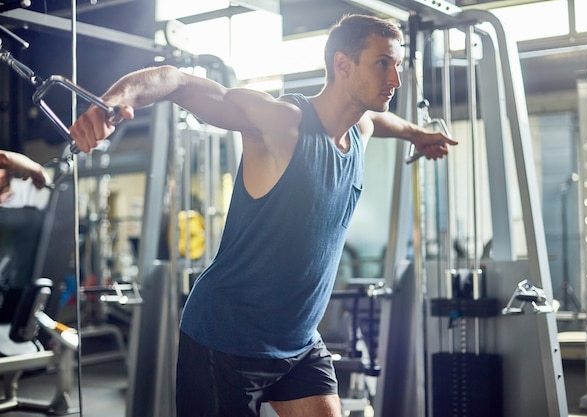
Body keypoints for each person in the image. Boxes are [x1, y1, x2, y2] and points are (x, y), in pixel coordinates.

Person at [69, 13, 457, 417]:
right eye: (382, 63)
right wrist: (115, 102)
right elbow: (179, 82)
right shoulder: (281, 124)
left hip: (300, 344)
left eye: (397, 64)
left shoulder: (360, 131)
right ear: (343, 65)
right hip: (225, 340)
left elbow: (383, 120)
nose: (394, 78)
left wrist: (418, 134)